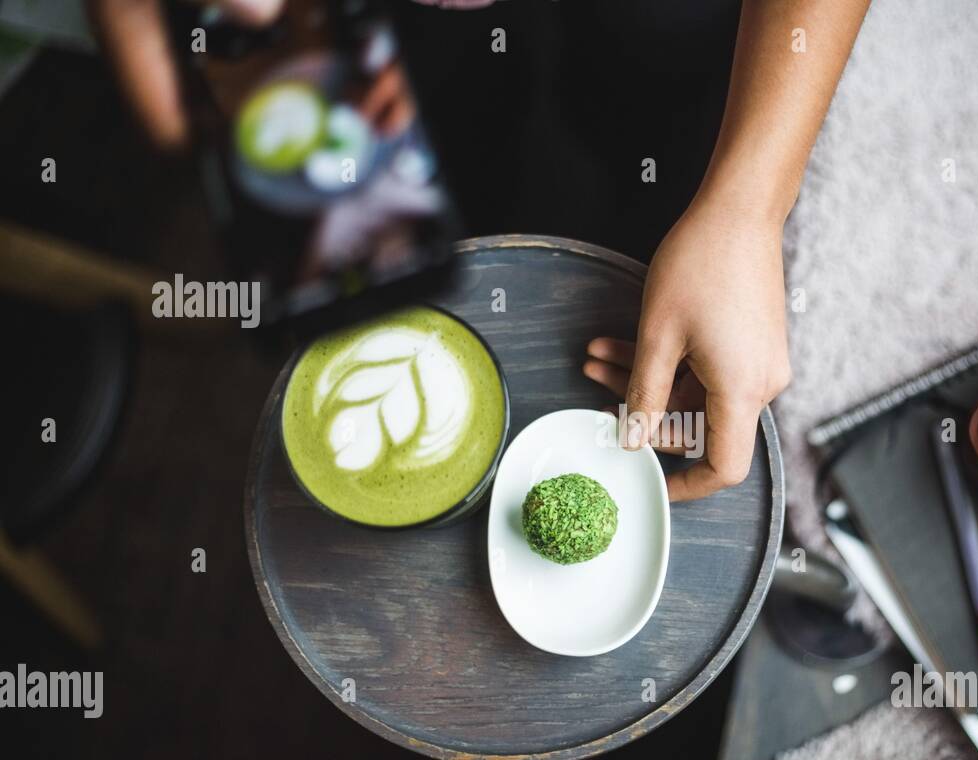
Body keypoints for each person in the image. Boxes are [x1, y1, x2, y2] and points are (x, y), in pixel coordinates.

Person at [89, 0, 869, 501]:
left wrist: (746, 205)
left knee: (646, 146)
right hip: (374, 35)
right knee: (448, 184)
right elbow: (174, 98)